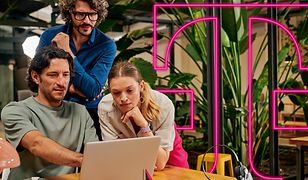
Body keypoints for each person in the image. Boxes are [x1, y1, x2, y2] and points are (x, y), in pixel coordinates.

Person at [1, 46, 98, 179]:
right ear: (35, 77)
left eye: (66, 74)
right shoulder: (15, 111)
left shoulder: (80, 112)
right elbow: (37, 144)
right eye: (53, 75)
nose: (61, 82)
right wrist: (86, 160)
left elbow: (95, 152)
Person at [37, 0, 116, 140]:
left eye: (92, 15)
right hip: (53, 110)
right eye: (80, 14)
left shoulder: (106, 45)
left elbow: (92, 89)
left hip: (90, 113)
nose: (87, 20)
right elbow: (37, 80)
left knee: (91, 159)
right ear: (69, 13)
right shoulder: (49, 36)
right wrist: (73, 89)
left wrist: (67, 51)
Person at [98, 62, 189, 171]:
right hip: (133, 161)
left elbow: (160, 163)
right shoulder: (105, 108)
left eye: (129, 90)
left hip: (169, 153)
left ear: (141, 86)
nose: (123, 98)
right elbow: (113, 156)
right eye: (116, 93)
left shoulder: (163, 105)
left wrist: (143, 126)